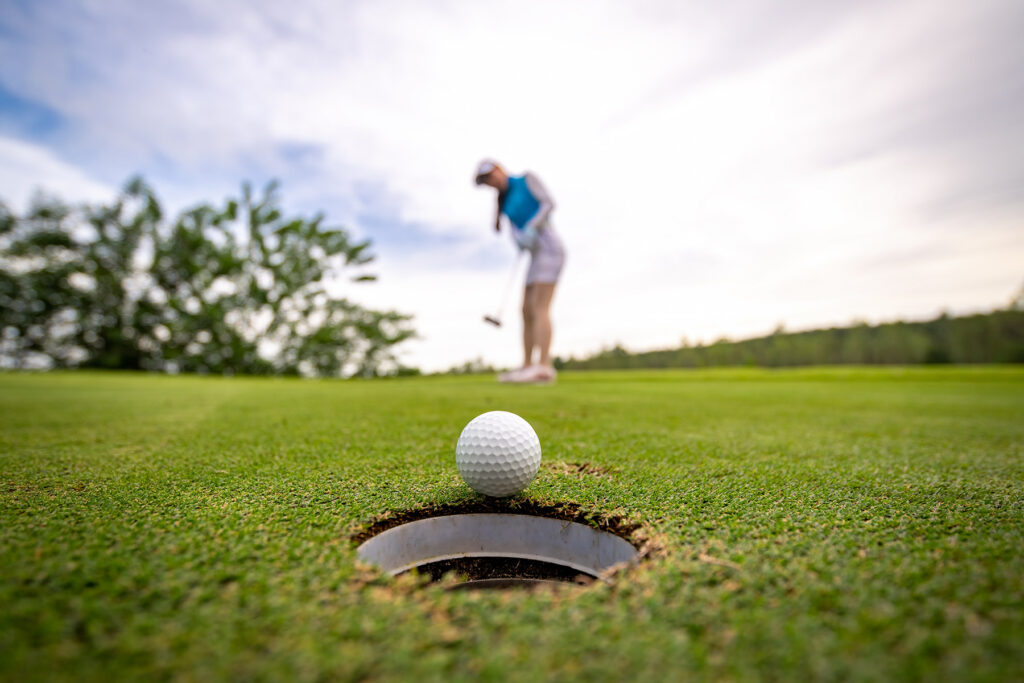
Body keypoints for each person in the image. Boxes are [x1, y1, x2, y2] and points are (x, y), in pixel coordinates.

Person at [474, 159, 566, 383]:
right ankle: (527, 366)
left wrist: (532, 226)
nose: (490, 182)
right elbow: (513, 231)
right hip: (534, 254)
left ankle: (543, 366)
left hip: (549, 246)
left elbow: (549, 203)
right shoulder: (503, 204)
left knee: (540, 307)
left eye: (490, 175)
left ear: (499, 169)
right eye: (485, 181)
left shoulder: (527, 180)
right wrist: (520, 240)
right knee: (525, 309)